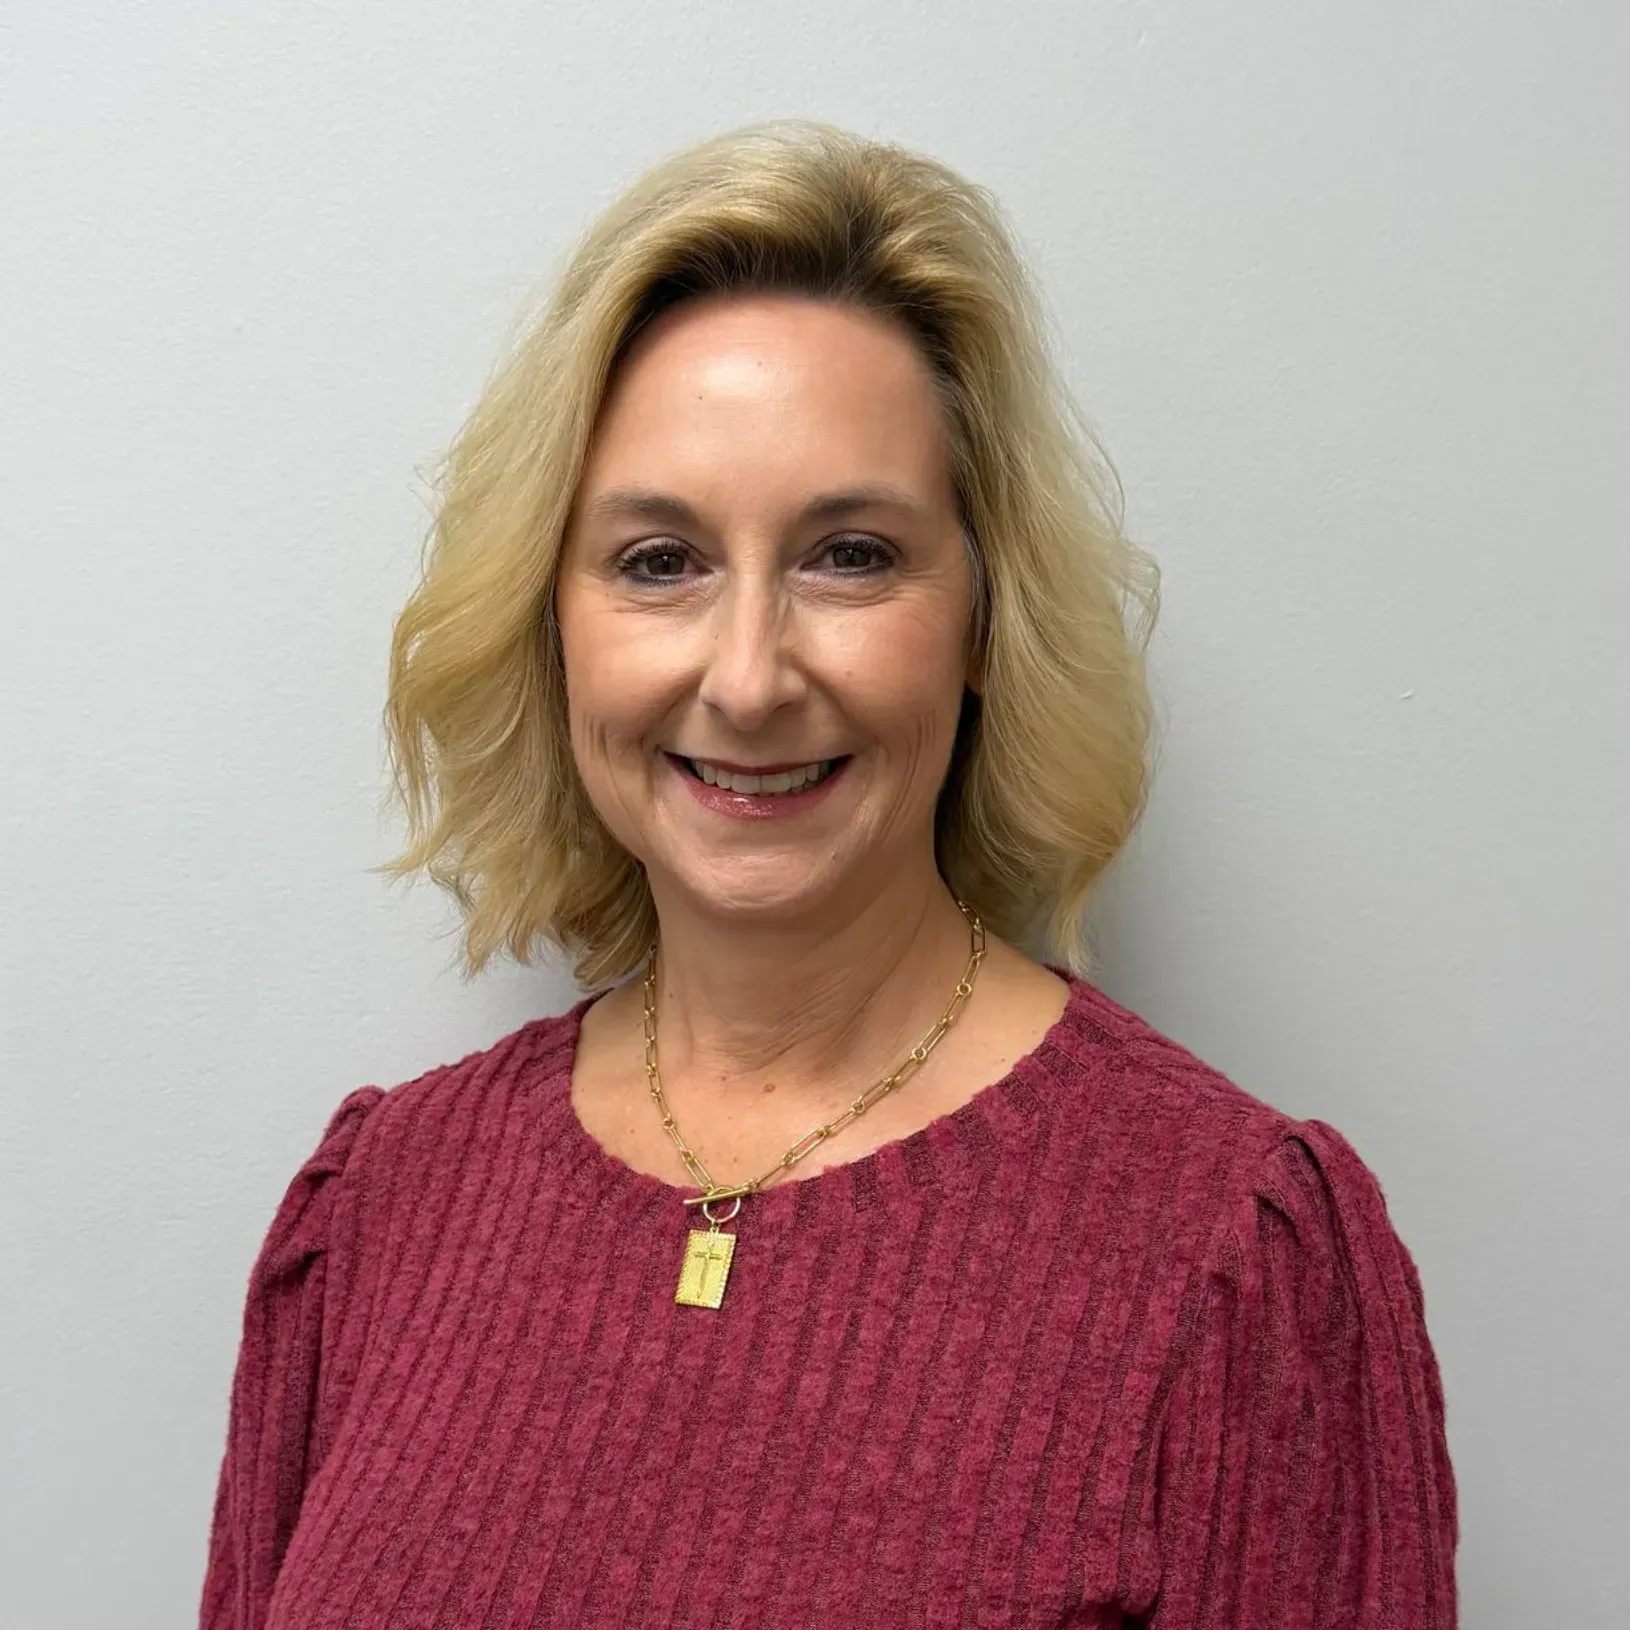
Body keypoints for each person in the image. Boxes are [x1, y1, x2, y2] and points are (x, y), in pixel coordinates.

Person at [199, 120, 1457, 1628]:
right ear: (549, 622)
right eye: (657, 560)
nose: (746, 677)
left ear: (986, 619)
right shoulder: (380, 1209)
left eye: (848, 555)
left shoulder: (1230, 1261)